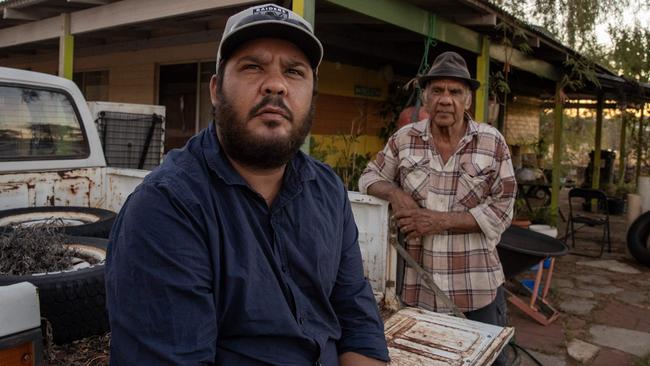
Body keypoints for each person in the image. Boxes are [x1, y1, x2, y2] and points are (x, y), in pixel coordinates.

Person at [105, 4, 389, 365]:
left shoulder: (328, 190)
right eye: (253, 66)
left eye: (294, 71)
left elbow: (357, 319)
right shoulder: (166, 208)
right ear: (215, 88)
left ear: (311, 97)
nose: (275, 84)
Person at [359, 51, 516, 365]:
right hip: (420, 286)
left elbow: (503, 207)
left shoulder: (492, 142)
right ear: (425, 98)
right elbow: (369, 177)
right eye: (437, 91)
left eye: (455, 92)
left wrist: (439, 221)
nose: (446, 100)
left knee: (490, 361)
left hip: (476, 285)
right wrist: (394, 193)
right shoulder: (404, 139)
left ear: (467, 101)